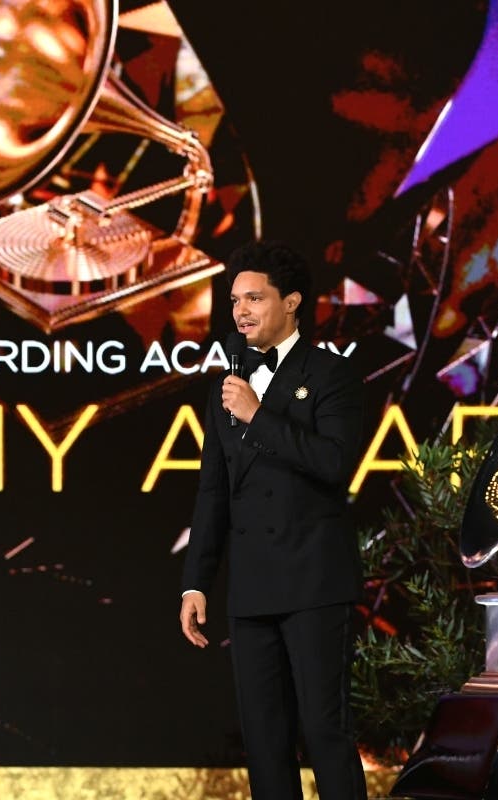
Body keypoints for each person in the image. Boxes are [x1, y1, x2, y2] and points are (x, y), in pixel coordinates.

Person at [179, 240, 367, 800]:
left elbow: (333, 464)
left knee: (324, 731)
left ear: (291, 302)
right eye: (235, 300)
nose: (240, 311)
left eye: (254, 298)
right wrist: (196, 580)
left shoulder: (332, 375)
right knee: (264, 739)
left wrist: (258, 416)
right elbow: (214, 491)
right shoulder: (226, 391)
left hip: (314, 583)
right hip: (252, 590)